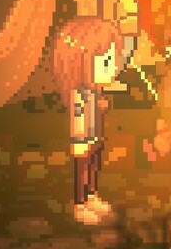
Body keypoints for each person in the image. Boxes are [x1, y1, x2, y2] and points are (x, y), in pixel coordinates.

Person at [50, 16, 125, 225]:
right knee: (82, 168)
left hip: (94, 136)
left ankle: (91, 195)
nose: (113, 69)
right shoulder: (79, 93)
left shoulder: (93, 90)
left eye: (114, 61)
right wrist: (80, 140)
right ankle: (80, 203)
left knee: (94, 164)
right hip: (83, 137)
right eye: (106, 62)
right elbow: (79, 116)